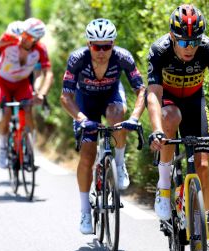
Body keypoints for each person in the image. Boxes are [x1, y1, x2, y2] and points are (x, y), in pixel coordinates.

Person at [146, 4, 209, 251]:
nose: (189, 46)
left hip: (195, 102)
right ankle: (164, 187)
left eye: (194, 40)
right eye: (183, 40)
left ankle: (201, 234)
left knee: (203, 166)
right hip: (168, 102)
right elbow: (153, 94)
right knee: (170, 117)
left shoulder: (208, 48)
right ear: (172, 37)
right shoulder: (159, 50)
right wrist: (158, 131)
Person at [60, 18, 146, 234]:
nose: (101, 51)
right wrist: (81, 118)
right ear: (89, 44)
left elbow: (141, 90)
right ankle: (84, 212)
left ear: (113, 44)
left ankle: (118, 162)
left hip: (111, 96)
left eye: (107, 46)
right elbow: (66, 97)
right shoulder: (77, 59)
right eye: (97, 46)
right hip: (85, 102)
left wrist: (135, 117)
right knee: (87, 155)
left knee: (117, 116)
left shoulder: (123, 57)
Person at [0, 18, 53, 168]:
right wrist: (0, 42)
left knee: (28, 111)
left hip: (22, 84)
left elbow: (47, 74)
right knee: (6, 113)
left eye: (29, 37)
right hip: (3, 82)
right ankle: (3, 146)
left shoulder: (40, 50)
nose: (24, 38)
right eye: (24, 34)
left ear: (36, 40)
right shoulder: (11, 41)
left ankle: (28, 147)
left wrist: (41, 93)